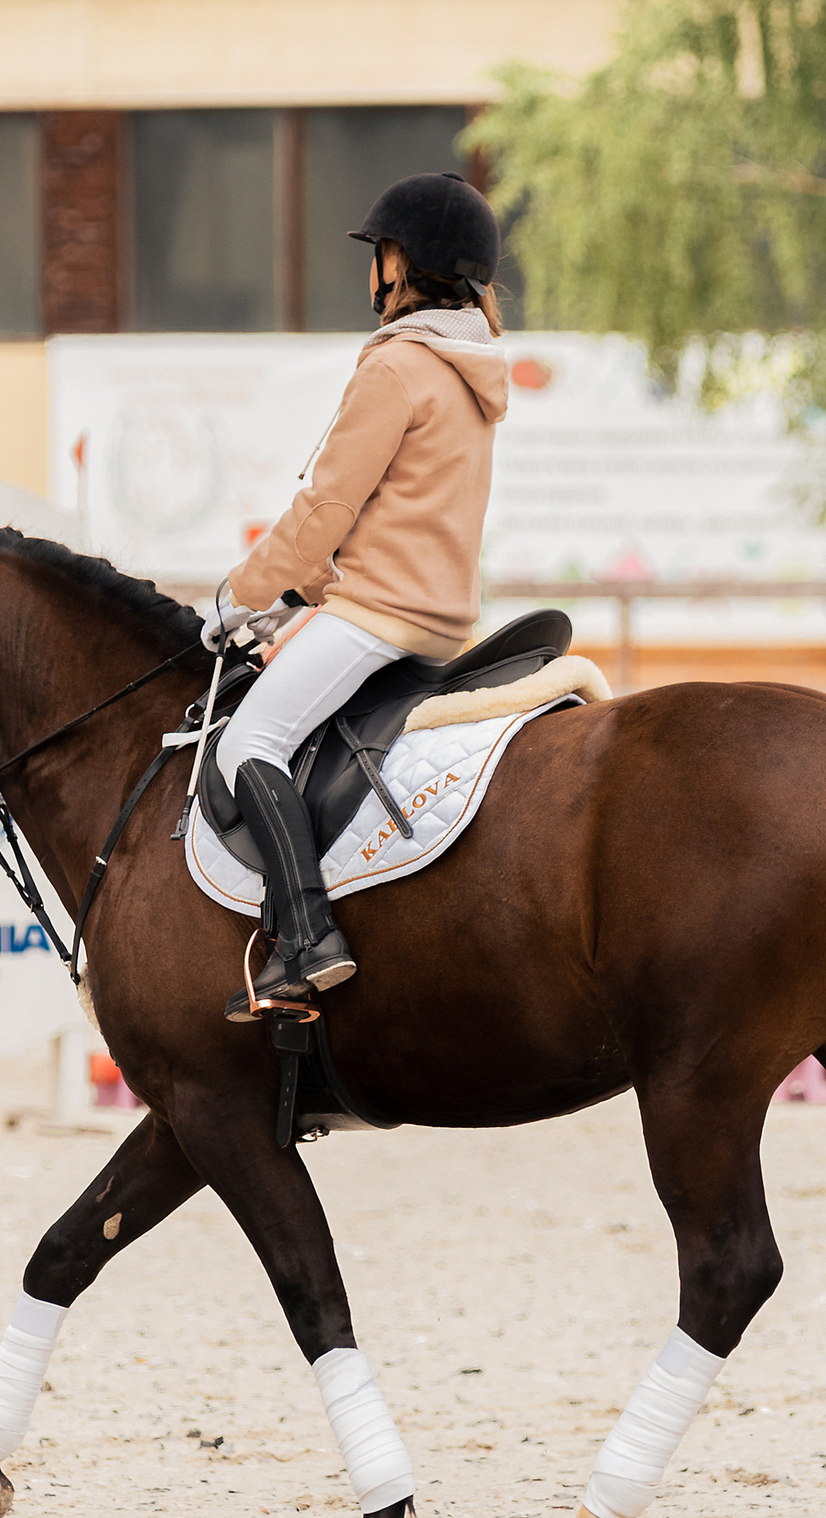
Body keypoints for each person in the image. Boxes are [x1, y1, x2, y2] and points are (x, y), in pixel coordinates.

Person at [200, 171, 509, 1021]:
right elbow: (390, 514)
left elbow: (326, 511)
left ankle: (307, 939)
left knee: (248, 742)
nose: (373, 268)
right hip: (442, 622)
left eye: (381, 253)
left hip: (379, 617)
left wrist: (236, 599)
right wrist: (294, 599)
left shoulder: (399, 365)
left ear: (402, 263)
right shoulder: (471, 371)